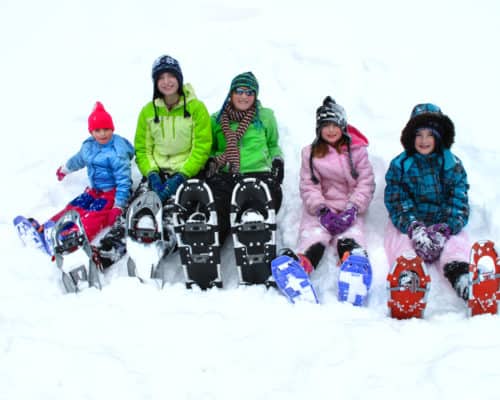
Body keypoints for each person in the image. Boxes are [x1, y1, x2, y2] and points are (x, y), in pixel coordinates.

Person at [96, 54, 212, 267]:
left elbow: (202, 147)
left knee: (173, 213)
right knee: (137, 208)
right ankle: (107, 251)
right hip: (157, 172)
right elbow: (142, 148)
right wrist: (151, 173)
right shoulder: (148, 112)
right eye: (161, 78)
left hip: (187, 172)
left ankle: (157, 248)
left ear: (179, 78)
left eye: (171, 76)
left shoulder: (196, 109)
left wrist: (182, 175)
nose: (167, 82)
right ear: (156, 83)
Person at [15, 101, 134, 254]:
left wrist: (118, 206)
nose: (102, 134)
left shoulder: (118, 152)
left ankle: (72, 237)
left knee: (94, 215)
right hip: (94, 190)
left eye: (106, 129)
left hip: (112, 193)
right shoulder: (89, 146)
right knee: (74, 207)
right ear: (91, 132)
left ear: (112, 129)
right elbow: (78, 159)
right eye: (97, 130)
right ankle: (45, 228)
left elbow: (124, 181)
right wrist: (65, 169)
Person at [384, 103, 471, 301]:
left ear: (439, 137)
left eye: (429, 135)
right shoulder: (400, 165)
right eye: (418, 134)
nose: (424, 140)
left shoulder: (452, 165)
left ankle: (461, 275)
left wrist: (446, 227)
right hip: (410, 222)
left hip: (443, 222)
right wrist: (413, 227)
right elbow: (396, 200)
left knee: (456, 243)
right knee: (399, 241)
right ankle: (408, 278)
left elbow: (459, 201)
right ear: (410, 137)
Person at [284, 96, 375, 284]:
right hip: (321, 208)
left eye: (335, 125)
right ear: (319, 129)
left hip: (350, 208)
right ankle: (303, 265)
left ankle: (354, 264)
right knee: (314, 236)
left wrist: (353, 208)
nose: (331, 130)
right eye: (326, 125)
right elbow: (308, 185)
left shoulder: (356, 151)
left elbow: (366, 182)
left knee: (350, 236)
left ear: (342, 126)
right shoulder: (310, 153)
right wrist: (320, 209)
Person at [205, 71, 284, 246]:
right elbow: (211, 149)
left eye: (249, 92)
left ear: (255, 96)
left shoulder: (265, 117)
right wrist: (211, 161)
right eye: (239, 91)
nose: (244, 96)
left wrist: (277, 160)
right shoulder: (216, 119)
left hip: (259, 174)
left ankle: (254, 225)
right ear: (231, 94)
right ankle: (210, 235)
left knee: (262, 199)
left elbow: (272, 144)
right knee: (217, 206)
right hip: (227, 175)